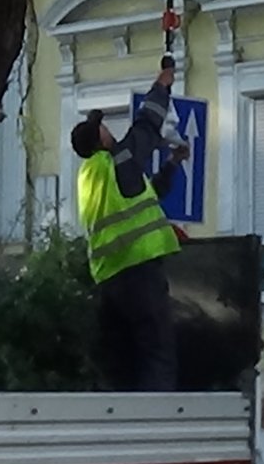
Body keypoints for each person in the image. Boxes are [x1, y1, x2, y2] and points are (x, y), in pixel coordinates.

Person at [71, 55, 187, 391]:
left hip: (110, 278)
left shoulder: (92, 174)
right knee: (158, 350)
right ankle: (157, 425)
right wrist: (163, 84)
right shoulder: (117, 159)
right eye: (103, 128)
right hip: (139, 271)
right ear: (100, 141)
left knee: (125, 354)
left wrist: (172, 165)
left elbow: (147, 194)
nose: (108, 129)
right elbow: (147, 126)